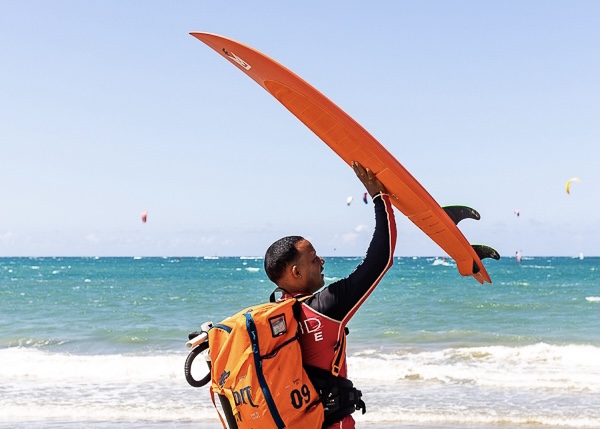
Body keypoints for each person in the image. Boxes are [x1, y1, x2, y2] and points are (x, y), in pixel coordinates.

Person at [264, 161, 397, 429]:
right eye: (313, 258)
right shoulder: (324, 308)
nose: (322, 261)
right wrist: (380, 199)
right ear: (296, 273)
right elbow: (380, 260)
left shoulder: (274, 318)